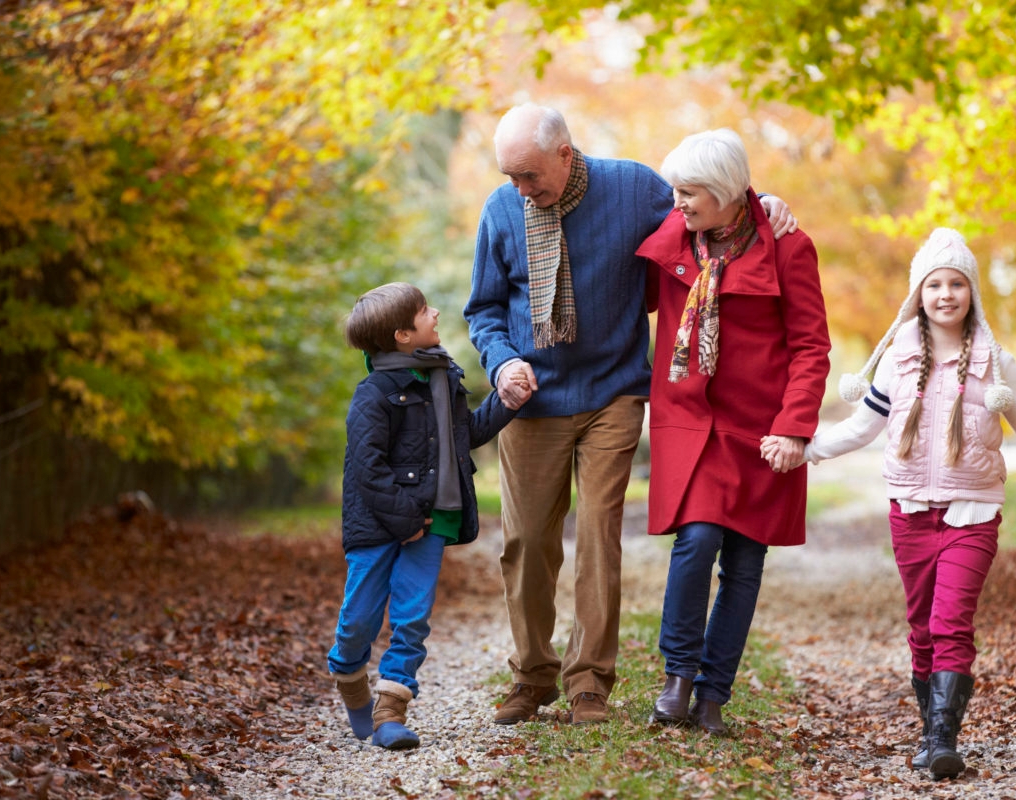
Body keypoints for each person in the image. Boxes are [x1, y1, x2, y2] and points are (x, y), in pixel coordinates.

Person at [465, 103, 796, 726]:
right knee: (527, 541)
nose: (519, 189)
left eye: (530, 175)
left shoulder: (634, 188)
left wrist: (764, 200)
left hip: (614, 391)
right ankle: (533, 674)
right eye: (510, 175)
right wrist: (503, 360)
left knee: (596, 531)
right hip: (530, 398)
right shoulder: (501, 210)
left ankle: (589, 681)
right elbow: (483, 308)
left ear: (565, 155)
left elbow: (711, 207)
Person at [775, 227, 1016, 778]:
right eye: (935, 284)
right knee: (922, 628)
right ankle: (931, 732)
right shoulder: (898, 358)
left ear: (972, 292)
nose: (946, 294)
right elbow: (863, 426)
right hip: (909, 510)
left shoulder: (995, 363)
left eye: (957, 283)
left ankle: (941, 740)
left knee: (951, 622)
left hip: (972, 513)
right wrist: (807, 448)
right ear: (919, 294)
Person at [636, 129, 831, 735]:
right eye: (676, 190)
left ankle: (713, 697)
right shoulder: (674, 235)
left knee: (745, 563)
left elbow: (810, 346)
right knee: (696, 543)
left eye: (691, 192)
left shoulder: (789, 248)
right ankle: (678, 678)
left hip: (762, 429)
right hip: (690, 423)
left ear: (725, 194)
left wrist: (795, 427)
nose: (678, 202)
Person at [328, 282, 526, 749]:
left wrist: (506, 401)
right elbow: (367, 467)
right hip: (380, 524)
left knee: (412, 616)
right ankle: (351, 680)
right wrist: (405, 518)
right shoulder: (374, 393)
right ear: (402, 335)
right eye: (423, 311)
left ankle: (392, 709)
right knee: (359, 618)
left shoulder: (443, 379)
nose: (435, 313)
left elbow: (464, 436)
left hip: (433, 519)